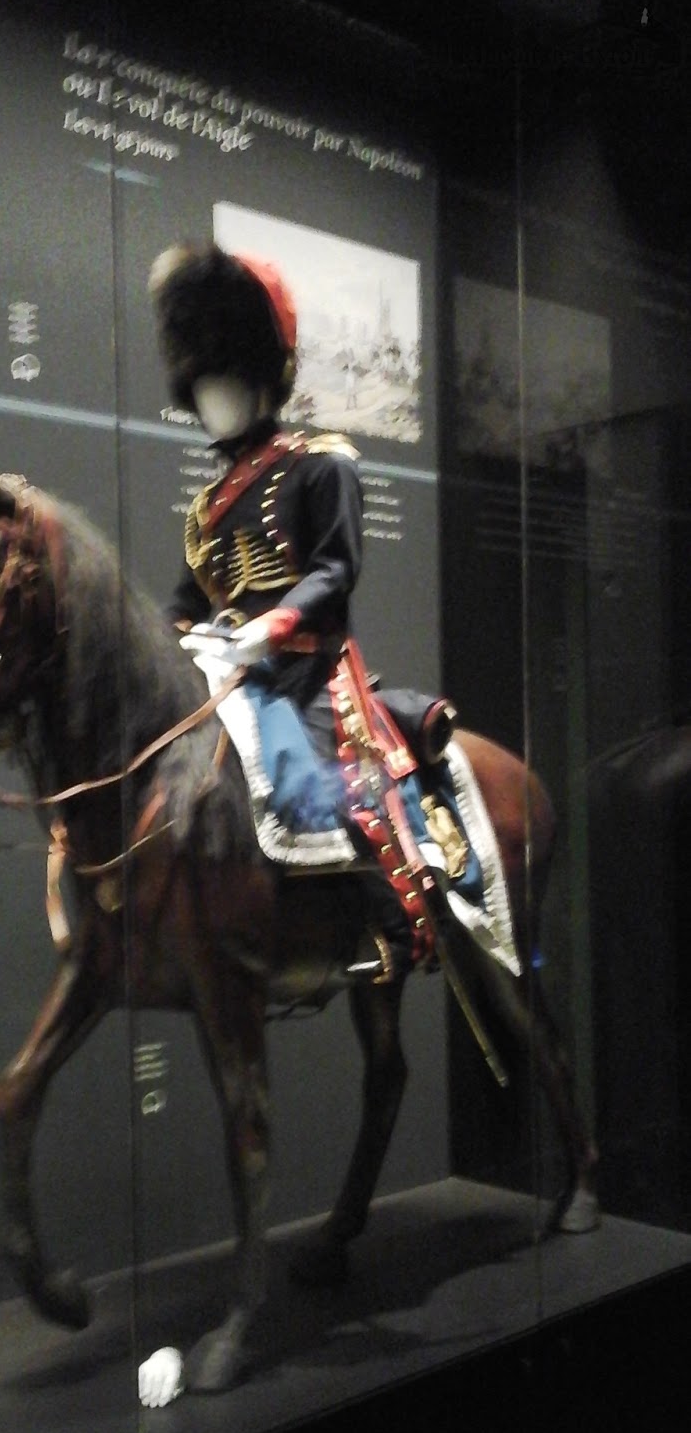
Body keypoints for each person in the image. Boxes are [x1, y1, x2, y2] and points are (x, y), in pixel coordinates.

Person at [148, 241, 457, 973]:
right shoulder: (206, 507)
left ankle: (397, 921)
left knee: (326, 787)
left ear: (262, 380)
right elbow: (187, 599)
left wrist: (271, 626)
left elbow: (335, 571)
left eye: (223, 380)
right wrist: (182, 639)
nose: (210, 400)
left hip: (307, 669)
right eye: (201, 386)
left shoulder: (321, 465)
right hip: (232, 675)